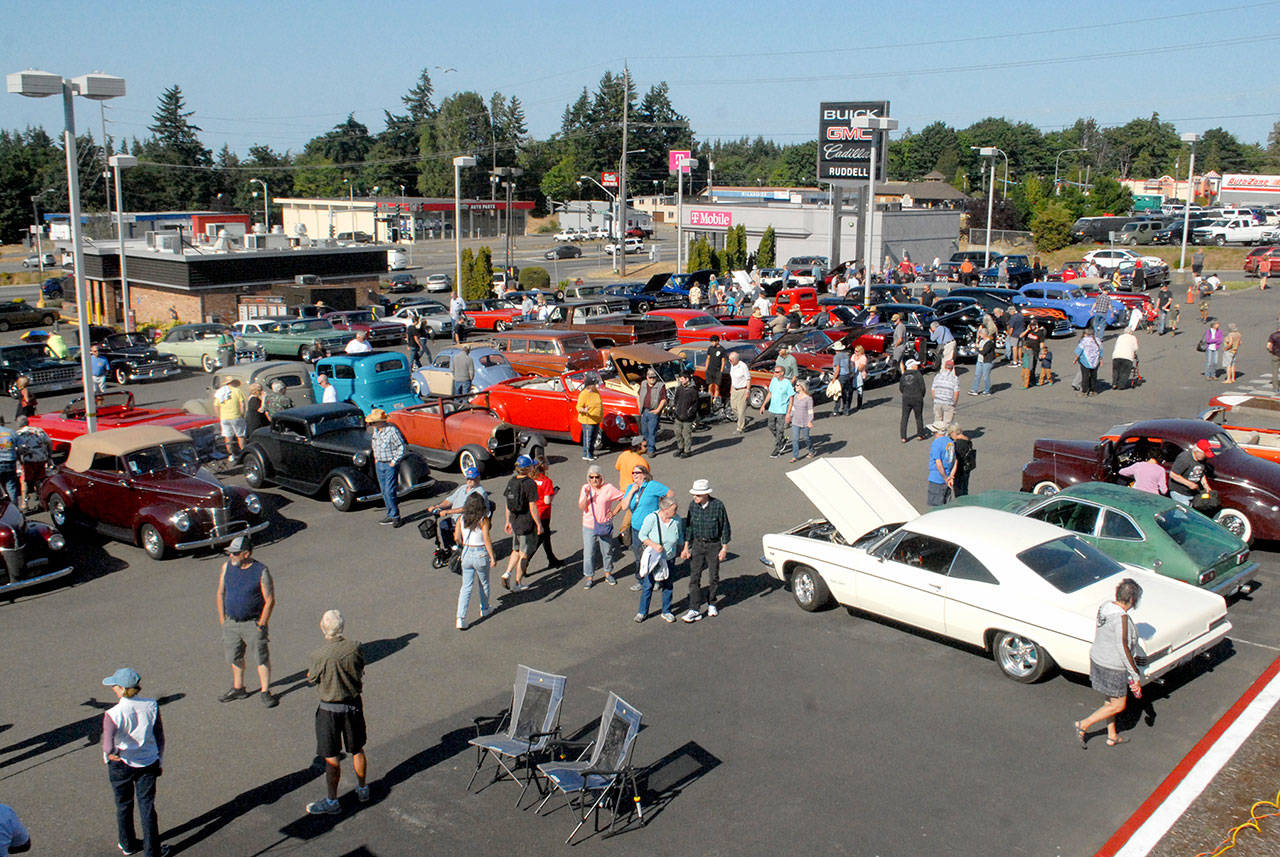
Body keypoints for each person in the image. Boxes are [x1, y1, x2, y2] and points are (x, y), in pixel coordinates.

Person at [305, 610, 370, 814]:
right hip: (353, 705)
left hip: (329, 710)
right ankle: (362, 788)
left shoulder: (319, 655)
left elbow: (311, 678)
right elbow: (361, 668)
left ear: (324, 629)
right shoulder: (355, 647)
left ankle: (332, 801)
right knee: (357, 749)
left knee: (331, 756)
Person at [100, 667, 168, 857]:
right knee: (147, 806)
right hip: (148, 762)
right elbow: (160, 737)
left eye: (115, 685)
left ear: (122, 689)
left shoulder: (112, 714)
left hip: (121, 764)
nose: (113, 688)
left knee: (123, 804)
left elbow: (107, 746)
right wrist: (159, 760)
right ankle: (152, 852)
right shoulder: (151, 705)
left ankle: (127, 843)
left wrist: (113, 752)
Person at [1074, 579, 1143, 749]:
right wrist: (1135, 674)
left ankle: (1112, 736)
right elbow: (1123, 647)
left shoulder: (1105, 607)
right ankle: (1083, 724)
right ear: (1132, 600)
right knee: (1118, 704)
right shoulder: (1122, 618)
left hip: (1098, 658)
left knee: (1109, 701)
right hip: (1112, 666)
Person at [215, 535, 277, 707]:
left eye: (235, 553)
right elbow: (220, 593)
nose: (231, 556)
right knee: (235, 656)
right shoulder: (226, 567)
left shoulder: (261, 571)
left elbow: (270, 599)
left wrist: (262, 624)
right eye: (230, 553)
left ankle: (265, 691)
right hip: (231, 623)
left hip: (253, 623)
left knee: (261, 658)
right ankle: (238, 688)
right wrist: (223, 620)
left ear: (246, 554)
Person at [680, 479, 731, 622]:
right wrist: (686, 547)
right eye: (694, 495)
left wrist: (724, 548)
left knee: (713, 576)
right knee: (694, 577)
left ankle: (712, 603)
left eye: (697, 495)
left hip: (713, 545)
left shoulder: (718, 506)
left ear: (706, 495)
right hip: (697, 544)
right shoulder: (692, 506)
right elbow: (689, 527)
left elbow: (725, 527)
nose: (694, 498)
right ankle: (694, 608)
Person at [613, 465, 674, 581]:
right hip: (636, 528)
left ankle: (657, 578)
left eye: (637, 472)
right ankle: (641, 580)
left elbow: (670, 493)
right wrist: (631, 491)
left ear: (644, 474)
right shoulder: (630, 487)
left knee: (653, 555)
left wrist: (663, 509)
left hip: (652, 529)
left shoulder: (652, 485)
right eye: (633, 473)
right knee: (638, 555)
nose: (634, 475)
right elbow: (625, 506)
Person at [635, 496, 684, 624]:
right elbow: (642, 535)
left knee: (668, 584)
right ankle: (642, 612)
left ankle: (666, 611)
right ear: (665, 510)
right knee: (648, 585)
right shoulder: (652, 518)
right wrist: (654, 545)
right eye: (674, 509)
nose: (676, 511)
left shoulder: (677, 520)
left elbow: (680, 536)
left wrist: (683, 549)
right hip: (655, 559)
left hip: (669, 558)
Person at [501, 455, 541, 592]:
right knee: (524, 553)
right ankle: (518, 583)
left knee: (515, 550)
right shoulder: (529, 484)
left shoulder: (512, 481)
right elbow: (532, 506)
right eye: (532, 465)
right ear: (528, 468)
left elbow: (507, 504)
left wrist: (507, 521)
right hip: (526, 523)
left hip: (514, 521)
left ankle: (507, 572)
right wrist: (539, 524)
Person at [579, 464, 623, 588]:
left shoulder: (608, 488)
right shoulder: (585, 488)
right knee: (588, 553)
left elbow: (623, 498)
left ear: (601, 477)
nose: (594, 480)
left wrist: (614, 512)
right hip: (589, 526)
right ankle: (589, 576)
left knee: (607, 551)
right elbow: (582, 507)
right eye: (591, 477)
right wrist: (587, 497)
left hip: (604, 524)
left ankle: (608, 574)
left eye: (596, 477)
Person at [455, 493, 495, 629]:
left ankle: (461, 617)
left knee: (466, 587)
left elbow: (457, 538)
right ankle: (484, 608)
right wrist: (492, 556)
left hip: (466, 553)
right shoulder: (483, 520)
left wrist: (463, 544)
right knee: (484, 583)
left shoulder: (461, 519)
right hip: (480, 553)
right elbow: (486, 539)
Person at [427, 467, 488, 551]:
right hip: (456, 519)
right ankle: (450, 548)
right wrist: (437, 506)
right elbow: (449, 500)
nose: (469, 481)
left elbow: (467, 508)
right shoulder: (463, 488)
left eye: (472, 478)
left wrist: (448, 511)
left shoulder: (480, 492)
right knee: (444, 525)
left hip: (469, 520)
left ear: (478, 478)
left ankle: (461, 550)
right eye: (468, 478)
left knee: (460, 534)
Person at [367, 408, 407, 527]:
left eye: (374, 422)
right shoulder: (376, 431)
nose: (372, 425)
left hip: (389, 464)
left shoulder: (391, 431)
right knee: (384, 491)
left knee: (390, 491)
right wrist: (376, 459)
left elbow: (401, 447)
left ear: (381, 421)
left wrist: (394, 461)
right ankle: (390, 514)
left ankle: (395, 516)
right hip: (380, 463)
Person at [531, 459, 561, 569]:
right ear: (543, 466)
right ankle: (525, 561)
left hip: (533, 511)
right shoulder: (546, 481)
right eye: (547, 463)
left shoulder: (532, 478)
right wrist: (555, 492)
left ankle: (551, 559)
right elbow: (547, 500)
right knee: (540, 539)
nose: (548, 464)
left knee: (546, 538)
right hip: (543, 513)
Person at [760, 366, 793, 458]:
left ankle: (778, 448)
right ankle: (782, 439)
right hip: (772, 409)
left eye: (777, 372)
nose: (775, 373)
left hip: (782, 410)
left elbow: (791, 398)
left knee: (779, 429)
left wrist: (788, 413)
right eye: (774, 372)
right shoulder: (773, 381)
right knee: (770, 426)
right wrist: (763, 405)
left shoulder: (787, 383)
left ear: (782, 373)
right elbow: (770, 393)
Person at [1169, 439, 1214, 505]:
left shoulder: (1202, 459)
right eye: (1204, 454)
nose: (1205, 456)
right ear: (1197, 451)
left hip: (1191, 493)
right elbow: (1173, 474)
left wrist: (1207, 487)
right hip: (1179, 493)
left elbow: (1201, 474)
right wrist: (1189, 484)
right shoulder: (1184, 458)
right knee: (1183, 514)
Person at [213, 377, 247, 457]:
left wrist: (219, 415)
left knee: (228, 436)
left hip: (224, 418)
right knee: (240, 435)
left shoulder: (220, 392)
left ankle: (231, 455)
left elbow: (215, 405)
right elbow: (242, 404)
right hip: (235, 416)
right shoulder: (237, 391)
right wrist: (242, 414)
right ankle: (243, 453)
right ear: (233, 383)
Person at [637, 369, 667, 455]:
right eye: (650, 377)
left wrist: (658, 410)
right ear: (647, 377)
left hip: (653, 412)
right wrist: (640, 408)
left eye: (654, 377)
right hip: (644, 411)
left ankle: (651, 450)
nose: (652, 379)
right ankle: (651, 445)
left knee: (652, 431)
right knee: (644, 431)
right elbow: (638, 395)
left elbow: (664, 399)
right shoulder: (643, 384)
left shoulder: (660, 386)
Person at [671, 370, 700, 458]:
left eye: (682, 379)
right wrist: (675, 409)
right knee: (677, 432)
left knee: (686, 434)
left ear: (687, 379)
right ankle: (680, 448)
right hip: (678, 415)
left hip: (688, 417)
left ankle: (687, 451)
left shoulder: (693, 390)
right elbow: (676, 400)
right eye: (680, 378)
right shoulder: (679, 388)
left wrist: (690, 413)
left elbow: (695, 404)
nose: (680, 380)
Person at [575, 372, 603, 461]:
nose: (596, 386)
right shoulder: (583, 394)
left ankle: (591, 453)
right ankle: (586, 455)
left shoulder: (596, 392)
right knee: (588, 438)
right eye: (594, 384)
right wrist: (584, 410)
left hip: (596, 419)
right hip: (588, 420)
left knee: (594, 438)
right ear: (590, 385)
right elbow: (578, 407)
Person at [786, 380, 815, 462]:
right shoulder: (795, 396)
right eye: (796, 385)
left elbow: (810, 411)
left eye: (797, 385)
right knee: (795, 439)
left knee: (806, 438)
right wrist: (789, 415)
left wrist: (810, 421)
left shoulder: (808, 399)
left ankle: (811, 450)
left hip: (805, 422)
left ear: (802, 387)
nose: (795, 387)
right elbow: (793, 408)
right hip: (795, 421)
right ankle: (795, 456)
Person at [926, 423, 955, 506]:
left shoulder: (936, 444)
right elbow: (955, 460)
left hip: (937, 479)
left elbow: (938, 463)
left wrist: (945, 478)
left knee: (935, 507)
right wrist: (950, 476)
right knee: (946, 505)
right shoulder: (950, 442)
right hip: (948, 477)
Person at [899, 359, 926, 443]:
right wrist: (921, 395)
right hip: (917, 397)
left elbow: (901, 388)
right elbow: (923, 387)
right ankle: (920, 435)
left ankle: (903, 437)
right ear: (912, 366)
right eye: (915, 365)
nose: (917, 366)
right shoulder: (918, 374)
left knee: (904, 417)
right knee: (918, 417)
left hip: (906, 398)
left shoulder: (903, 376)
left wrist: (906, 393)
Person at [930, 360, 959, 430]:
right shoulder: (954, 378)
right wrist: (954, 403)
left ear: (945, 366)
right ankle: (945, 437)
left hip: (937, 401)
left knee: (937, 422)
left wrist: (935, 399)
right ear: (952, 368)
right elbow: (956, 392)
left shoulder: (937, 376)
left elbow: (933, 390)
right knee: (947, 423)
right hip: (948, 403)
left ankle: (938, 437)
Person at [727, 351, 752, 432]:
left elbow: (748, 379)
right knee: (733, 407)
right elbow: (733, 378)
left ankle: (740, 428)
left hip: (742, 389)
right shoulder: (732, 365)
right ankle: (744, 420)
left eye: (730, 360)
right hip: (734, 389)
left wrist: (748, 391)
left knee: (741, 410)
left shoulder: (743, 366)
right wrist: (731, 388)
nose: (729, 361)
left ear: (736, 360)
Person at [1073, 329, 1101, 397]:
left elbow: (1078, 351)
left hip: (1085, 361)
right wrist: (1100, 359)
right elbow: (1101, 351)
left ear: (1085, 334)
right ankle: (1092, 390)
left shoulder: (1084, 341)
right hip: (1095, 361)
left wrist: (1075, 359)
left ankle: (1084, 391)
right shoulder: (1097, 340)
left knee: (1085, 376)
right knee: (1093, 376)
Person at [950, 425, 975, 497]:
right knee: (965, 488)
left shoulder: (958, 444)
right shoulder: (967, 440)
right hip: (967, 468)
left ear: (954, 433)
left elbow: (957, 457)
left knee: (958, 490)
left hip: (959, 470)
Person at [831, 340, 854, 415]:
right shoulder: (846, 355)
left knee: (837, 393)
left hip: (841, 376)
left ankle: (836, 410)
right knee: (845, 392)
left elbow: (837, 368)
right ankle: (846, 409)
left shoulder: (837, 357)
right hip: (847, 375)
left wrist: (834, 378)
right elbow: (850, 365)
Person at [969, 328, 995, 396]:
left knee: (985, 376)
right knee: (977, 375)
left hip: (987, 361)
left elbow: (984, 352)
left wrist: (977, 348)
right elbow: (981, 349)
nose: (979, 335)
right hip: (979, 361)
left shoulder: (989, 342)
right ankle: (975, 389)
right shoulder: (981, 340)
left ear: (984, 334)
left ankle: (987, 390)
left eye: (980, 334)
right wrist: (978, 346)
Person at [704, 335, 726, 410]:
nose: (712, 343)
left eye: (713, 342)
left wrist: (721, 371)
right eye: (711, 342)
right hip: (710, 370)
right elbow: (708, 358)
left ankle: (715, 400)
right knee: (710, 386)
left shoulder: (722, 349)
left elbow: (723, 361)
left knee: (717, 387)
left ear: (717, 341)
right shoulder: (710, 348)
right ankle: (709, 400)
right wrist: (706, 368)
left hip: (717, 371)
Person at [0, 419, 18, 505]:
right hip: (10, 461)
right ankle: (14, 508)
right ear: (3, 422)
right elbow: (21, 446)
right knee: (11, 486)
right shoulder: (10, 432)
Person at [1269, 314, 1280, 393]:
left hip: (1275, 354)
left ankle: (1276, 388)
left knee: (1275, 371)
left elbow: (1268, 346)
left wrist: (1271, 351)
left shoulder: (1273, 335)